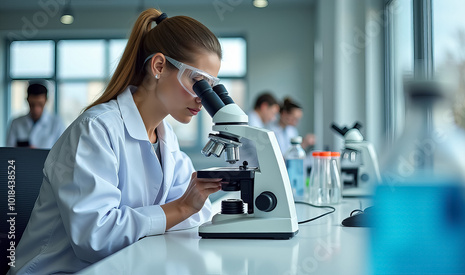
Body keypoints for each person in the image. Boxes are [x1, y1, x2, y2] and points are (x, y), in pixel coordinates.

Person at [9, 9, 223, 274]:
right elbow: (95, 238)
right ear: (158, 66)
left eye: (211, 87)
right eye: (197, 82)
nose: (203, 98)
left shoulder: (166, 138)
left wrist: (182, 209)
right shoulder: (96, 129)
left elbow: (196, 216)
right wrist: (179, 208)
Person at [6, 82, 65, 149]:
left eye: (40, 104)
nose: (36, 109)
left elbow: (62, 152)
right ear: (27, 100)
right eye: (32, 104)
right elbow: (9, 154)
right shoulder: (16, 123)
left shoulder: (57, 124)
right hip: (22, 160)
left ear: (46, 101)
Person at [236, 92, 280, 167]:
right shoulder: (251, 121)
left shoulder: (256, 121)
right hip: (242, 168)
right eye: (273, 113)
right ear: (264, 106)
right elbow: (261, 149)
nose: (273, 118)